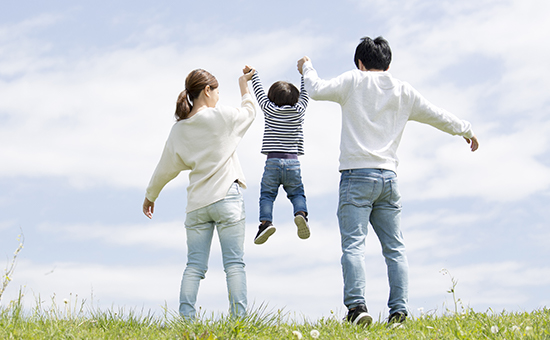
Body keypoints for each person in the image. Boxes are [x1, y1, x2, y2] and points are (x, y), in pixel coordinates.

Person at [297, 36, 479, 326]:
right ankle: (399, 312)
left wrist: (307, 66)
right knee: (395, 249)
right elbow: (437, 115)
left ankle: (357, 309)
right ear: (388, 64)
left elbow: (316, 90)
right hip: (389, 178)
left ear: (360, 63)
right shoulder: (403, 90)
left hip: (356, 176)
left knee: (354, 246)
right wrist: (465, 130)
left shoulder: (353, 81)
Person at [142, 66, 256, 320]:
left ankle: (186, 318)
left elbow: (164, 168)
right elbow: (250, 113)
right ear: (207, 90)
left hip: (197, 205)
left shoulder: (179, 130)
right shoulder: (221, 117)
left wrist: (151, 195)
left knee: (194, 266)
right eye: (216, 92)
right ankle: (239, 320)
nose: (218, 97)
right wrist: (243, 86)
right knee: (234, 264)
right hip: (227, 196)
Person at [249, 69, 310, 245]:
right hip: (293, 162)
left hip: (272, 162)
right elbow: (305, 94)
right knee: (297, 192)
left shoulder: (269, 109)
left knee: (267, 195)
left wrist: (254, 74)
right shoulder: (299, 111)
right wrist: (304, 73)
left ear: (272, 98)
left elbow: (259, 93)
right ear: (295, 99)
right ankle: (301, 214)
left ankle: (266, 223)